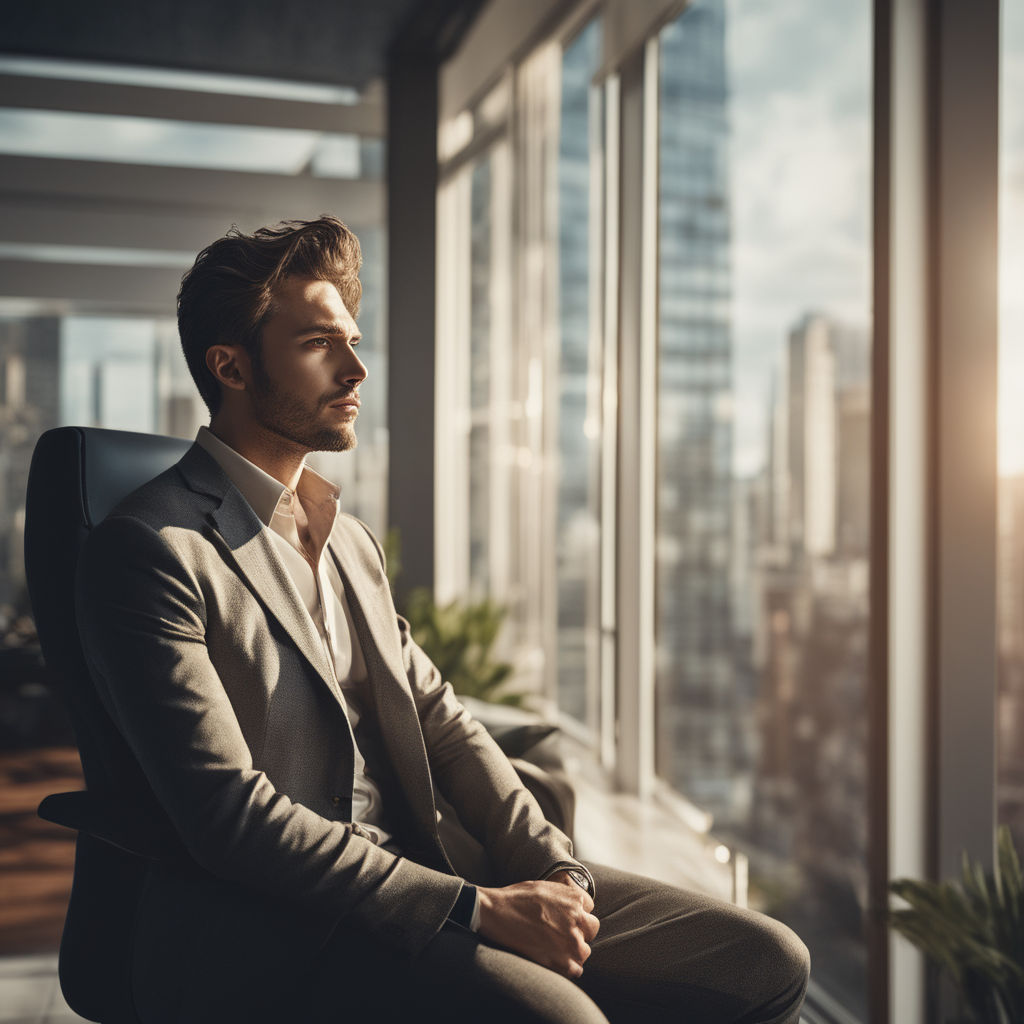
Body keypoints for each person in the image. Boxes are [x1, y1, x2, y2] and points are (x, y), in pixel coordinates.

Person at [76, 216, 809, 1024]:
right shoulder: (151, 549)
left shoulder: (346, 538)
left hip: (442, 870)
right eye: (321, 343)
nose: (357, 369)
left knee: (766, 960)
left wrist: (557, 871)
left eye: (354, 341)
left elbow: (442, 721)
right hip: (291, 927)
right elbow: (229, 818)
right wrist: (478, 910)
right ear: (231, 366)